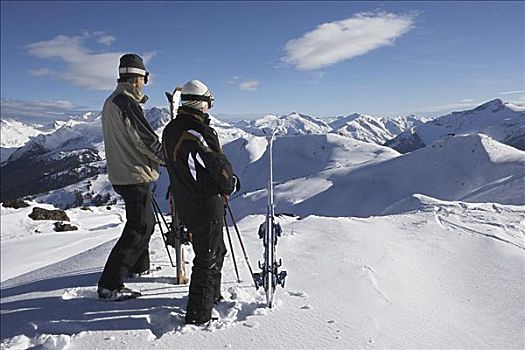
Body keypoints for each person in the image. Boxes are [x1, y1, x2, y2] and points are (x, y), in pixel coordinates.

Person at [162, 80, 240, 324]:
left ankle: (212, 296)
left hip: (184, 201)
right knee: (208, 257)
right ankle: (199, 314)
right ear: (202, 102)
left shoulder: (171, 129)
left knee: (215, 251)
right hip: (205, 203)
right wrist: (231, 184)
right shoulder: (197, 132)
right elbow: (218, 167)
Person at [97, 53, 165, 301]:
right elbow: (146, 141)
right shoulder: (127, 103)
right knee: (140, 227)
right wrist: (169, 159)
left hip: (122, 172)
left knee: (143, 223)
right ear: (138, 78)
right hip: (133, 174)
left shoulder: (111, 101)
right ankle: (110, 284)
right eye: (145, 78)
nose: (145, 83)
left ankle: (137, 267)